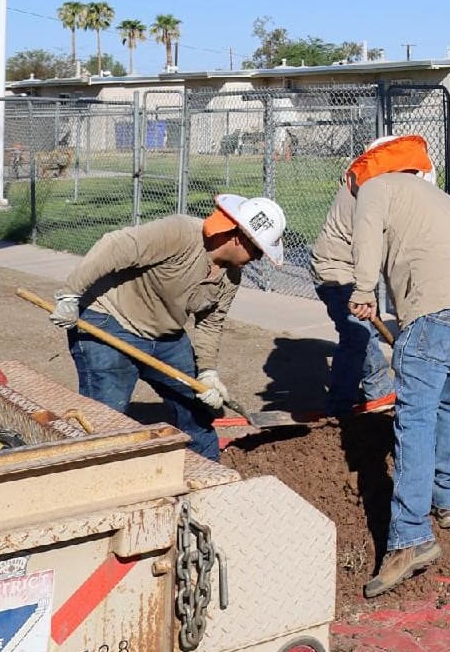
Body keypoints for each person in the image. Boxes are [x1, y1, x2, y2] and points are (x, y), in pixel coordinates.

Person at [343, 135, 450, 598]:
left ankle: (410, 537)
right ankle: (447, 500)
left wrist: (363, 290)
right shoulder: (437, 197)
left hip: (434, 312)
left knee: (414, 417)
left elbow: (366, 238)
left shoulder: (377, 188)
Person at [49, 194, 286, 461]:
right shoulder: (180, 233)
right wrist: (70, 294)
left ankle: (209, 472)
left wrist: (207, 372)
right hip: (110, 320)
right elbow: (115, 245)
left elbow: (211, 322)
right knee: (105, 417)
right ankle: (94, 473)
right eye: (257, 251)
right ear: (238, 237)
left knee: (197, 409)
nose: (257, 259)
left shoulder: (231, 277)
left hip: (165, 335)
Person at [311, 163, 396, 419]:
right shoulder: (372, 192)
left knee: (365, 334)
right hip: (336, 272)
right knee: (357, 335)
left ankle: (378, 394)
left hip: (355, 272)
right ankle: (343, 407)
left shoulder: (370, 181)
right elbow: (379, 248)